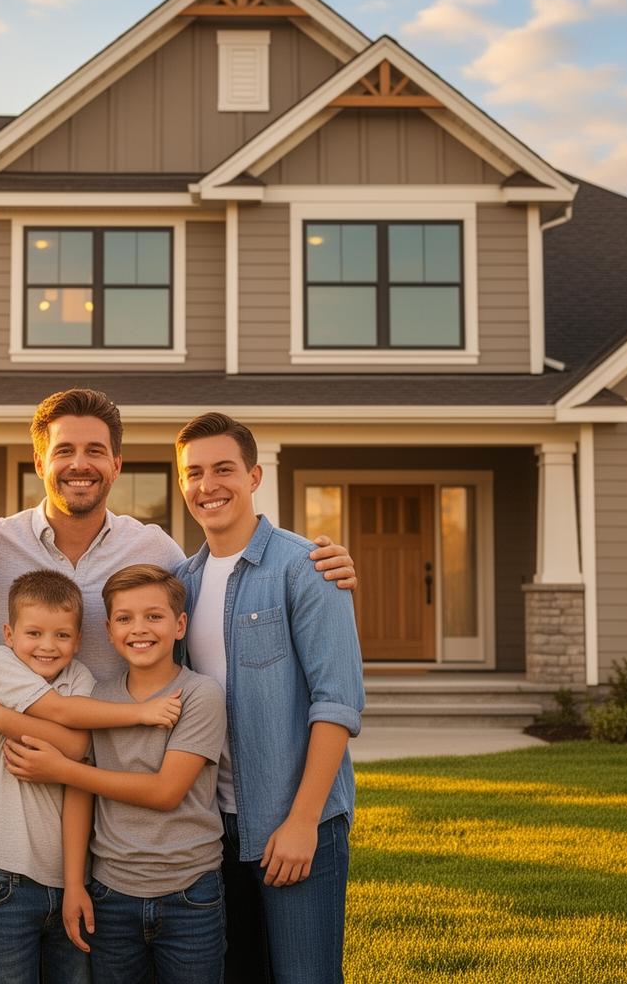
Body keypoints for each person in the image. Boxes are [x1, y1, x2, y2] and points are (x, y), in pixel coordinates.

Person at [0, 389, 358, 681]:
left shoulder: (156, 551)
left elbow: (223, 581)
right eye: (63, 450)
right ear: (40, 460)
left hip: (127, 791)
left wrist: (313, 558)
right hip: (19, 792)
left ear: (117, 464)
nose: (79, 464)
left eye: (95, 451)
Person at [175, 412, 363, 984]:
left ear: (254, 476)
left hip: (298, 822)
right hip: (213, 827)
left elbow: (336, 704)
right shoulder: (181, 581)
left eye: (224, 469)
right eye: (195, 473)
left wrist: (302, 821)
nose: (209, 486)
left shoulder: (306, 568)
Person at [4, 564, 228, 984]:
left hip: (190, 892)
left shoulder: (200, 694)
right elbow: (82, 796)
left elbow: (165, 792)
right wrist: (74, 885)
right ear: (108, 631)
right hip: (111, 893)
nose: (139, 629)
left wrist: (63, 770)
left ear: (180, 625)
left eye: (154, 617)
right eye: (124, 619)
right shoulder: (99, 698)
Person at [0, 568, 184, 984]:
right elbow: (70, 729)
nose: (47, 646)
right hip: (4, 873)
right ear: (9, 634)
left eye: (62, 636)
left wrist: (1, 718)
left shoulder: (81, 678)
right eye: (34, 634)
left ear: (79, 640)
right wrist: (139, 713)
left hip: (71, 877)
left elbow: (80, 747)